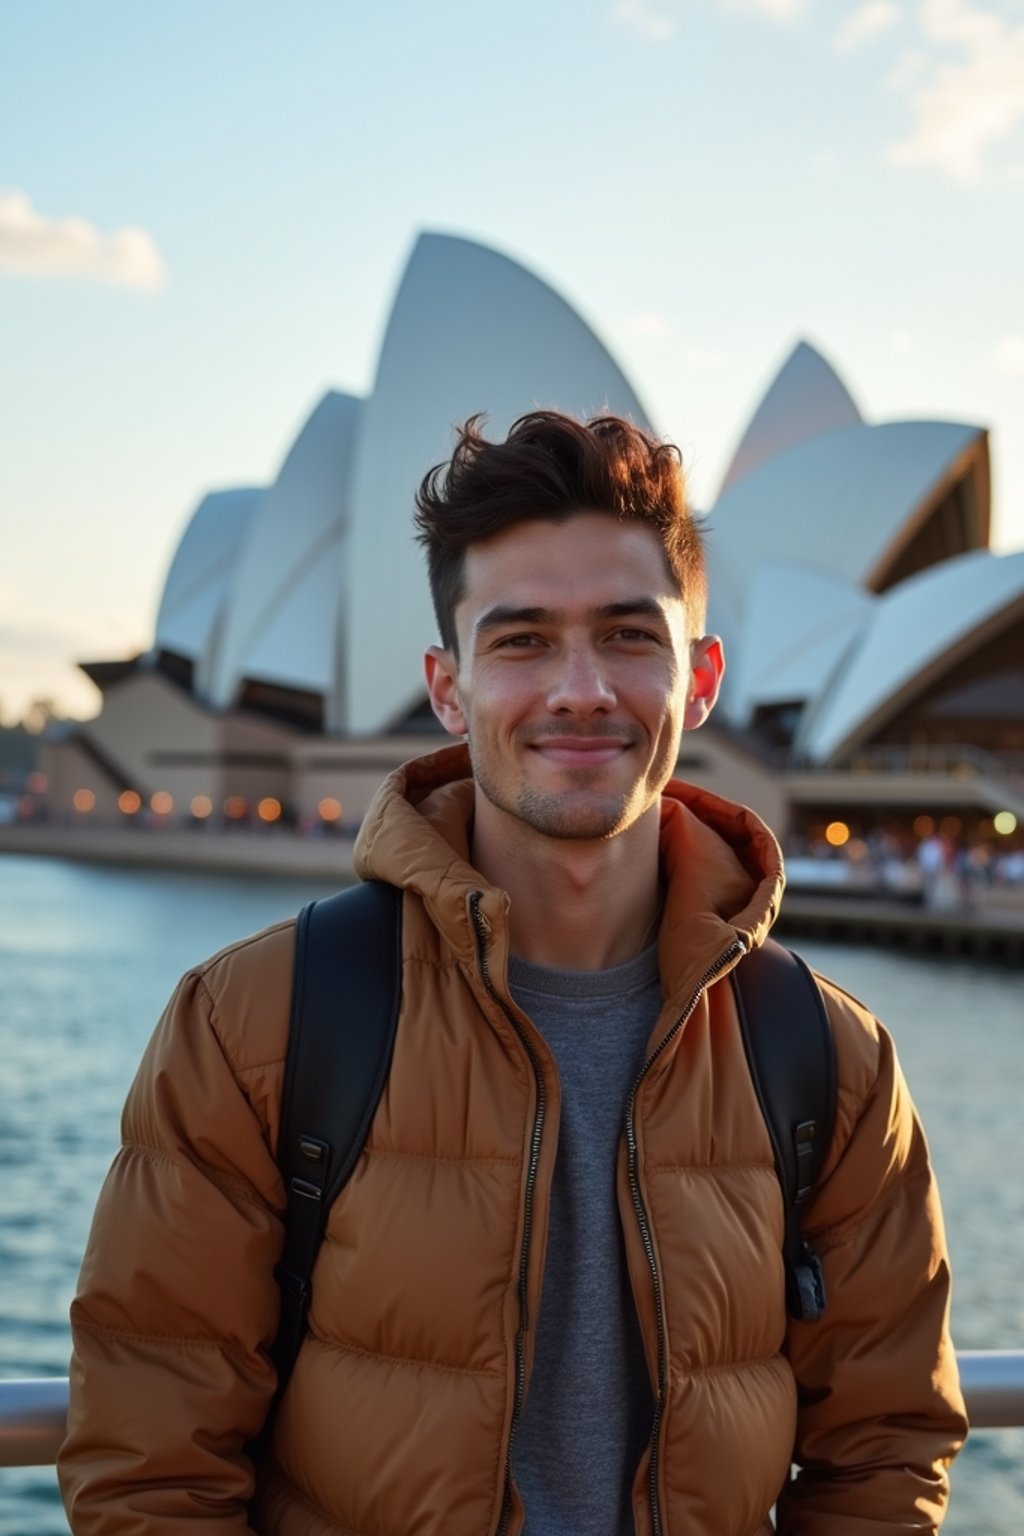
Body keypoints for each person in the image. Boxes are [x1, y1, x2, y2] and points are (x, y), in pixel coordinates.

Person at [58, 411, 966, 1535]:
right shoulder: (257, 1025)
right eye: (522, 639)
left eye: (630, 637)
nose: (579, 689)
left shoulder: (828, 1061)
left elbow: (885, 1449)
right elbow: (150, 1467)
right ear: (448, 686)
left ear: (701, 680)